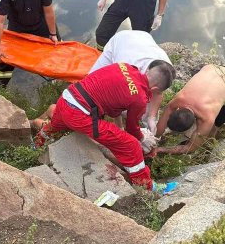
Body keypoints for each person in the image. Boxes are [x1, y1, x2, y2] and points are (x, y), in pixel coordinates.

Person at [33, 62, 176, 192]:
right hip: (79, 114)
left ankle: (34, 147)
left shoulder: (126, 66)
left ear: (148, 70)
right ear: (156, 89)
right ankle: (147, 186)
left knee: (54, 127)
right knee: (131, 145)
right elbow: (132, 129)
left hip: (67, 98)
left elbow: (113, 106)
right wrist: (143, 137)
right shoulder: (140, 98)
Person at [89, 30, 175, 134]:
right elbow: (116, 103)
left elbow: (158, 92)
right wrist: (120, 128)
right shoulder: (125, 67)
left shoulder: (165, 69)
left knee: (142, 108)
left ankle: (149, 127)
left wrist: (151, 118)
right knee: (92, 86)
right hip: (121, 41)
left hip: (143, 39)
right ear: (147, 71)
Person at [155, 64, 225, 154]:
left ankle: (208, 150)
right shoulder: (179, 99)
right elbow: (159, 128)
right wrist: (153, 140)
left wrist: (161, 149)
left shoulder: (207, 118)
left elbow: (190, 148)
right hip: (213, 68)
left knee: (214, 127)